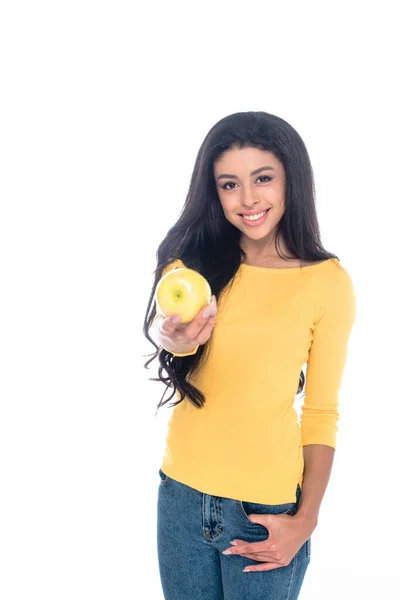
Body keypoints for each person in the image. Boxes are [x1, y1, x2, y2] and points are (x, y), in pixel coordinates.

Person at [143, 111, 356, 600]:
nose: (248, 199)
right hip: (181, 497)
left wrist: (305, 521)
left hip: (266, 511)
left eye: (263, 178)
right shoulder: (192, 264)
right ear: (213, 192)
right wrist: (173, 339)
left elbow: (322, 413)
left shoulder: (326, 283)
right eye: (229, 184)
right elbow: (172, 332)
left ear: (291, 180)